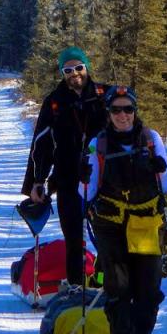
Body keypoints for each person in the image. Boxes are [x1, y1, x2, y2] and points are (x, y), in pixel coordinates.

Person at [82, 85, 167, 334]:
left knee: (148, 291)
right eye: (116, 110)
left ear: (135, 111)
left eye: (127, 109)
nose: (122, 115)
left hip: (145, 222)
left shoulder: (150, 140)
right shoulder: (99, 144)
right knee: (118, 291)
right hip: (110, 225)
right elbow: (87, 192)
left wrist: (160, 168)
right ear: (108, 114)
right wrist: (81, 178)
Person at [21, 46, 108, 288]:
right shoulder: (54, 102)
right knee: (73, 239)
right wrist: (37, 182)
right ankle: (76, 288)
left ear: (86, 67)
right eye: (67, 69)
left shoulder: (105, 95)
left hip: (102, 179)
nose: (74, 73)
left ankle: (102, 285)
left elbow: (126, 127)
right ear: (62, 73)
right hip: (67, 179)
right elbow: (41, 144)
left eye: (78, 67)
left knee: (106, 237)